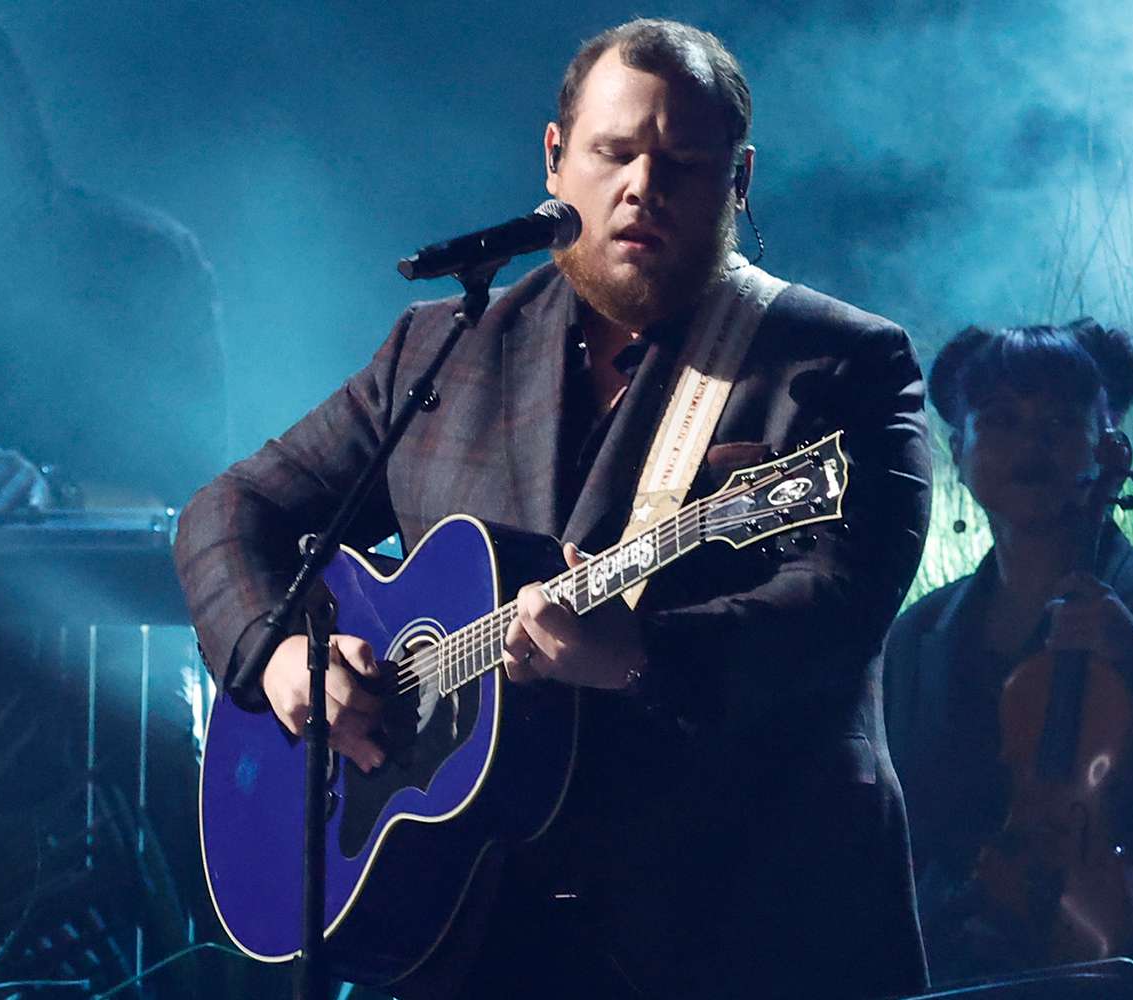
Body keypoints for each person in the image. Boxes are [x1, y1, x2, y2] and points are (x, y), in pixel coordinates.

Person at [175, 18, 932, 1000]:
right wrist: (282, 655)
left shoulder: (838, 359)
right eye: (614, 153)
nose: (642, 188)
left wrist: (638, 649)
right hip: (473, 932)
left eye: (684, 165)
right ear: (555, 159)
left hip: (739, 927)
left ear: (738, 183)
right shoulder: (441, 347)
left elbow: (842, 601)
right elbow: (228, 511)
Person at [882, 320, 1133, 996]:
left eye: (1061, 420)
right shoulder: (921, 635)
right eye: (1001, 421)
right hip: (968, 964)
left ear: (1106, 442)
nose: (1033, 443)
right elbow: (910, 838)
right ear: (958, 449)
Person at [0, 0, 226, 512]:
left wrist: (56, 495)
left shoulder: (140, 257)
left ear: (7, 112)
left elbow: (192, 492)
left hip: (102, 582)